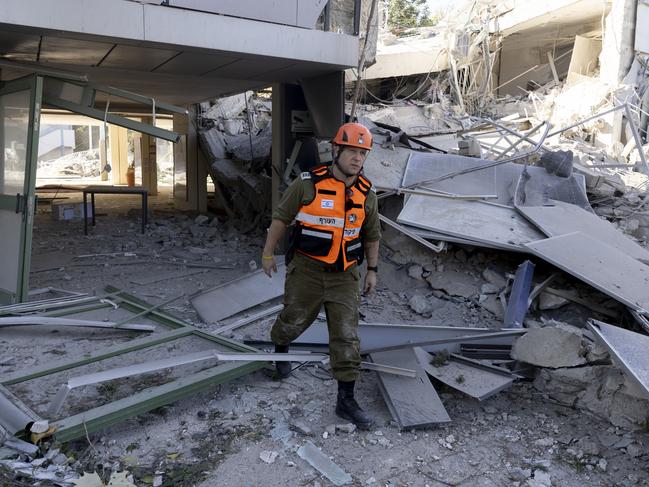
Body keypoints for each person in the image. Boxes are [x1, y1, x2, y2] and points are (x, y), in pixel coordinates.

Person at [261, 122, 381, 430]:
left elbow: (372, 234)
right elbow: (281, 219)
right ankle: (281, 351)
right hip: (307, 270)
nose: (357, 159)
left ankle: (346, 400)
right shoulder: (307, 184)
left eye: (363, 153)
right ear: (337, 150)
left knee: (346, 335)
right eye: (352, 151)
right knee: (294, 319)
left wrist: (372, 269)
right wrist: (268, 253)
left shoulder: (367, 193)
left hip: (345, 274)